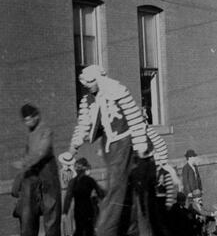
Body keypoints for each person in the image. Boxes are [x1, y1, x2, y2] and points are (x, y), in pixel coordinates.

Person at [58, 65, 155, 236]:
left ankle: (104, 230)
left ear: (99, 79)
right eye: (85, 82)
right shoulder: (87, 100)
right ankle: (131, 230)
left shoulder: (118, 91)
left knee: (116, 186)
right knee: (128, 193)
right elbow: (82, 126)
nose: (87, 85)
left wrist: (140, 147)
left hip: (125, 142)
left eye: (90, 82)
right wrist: (71, 151)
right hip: (109, 146)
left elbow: (134, 118)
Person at [13, 103, 62, 236]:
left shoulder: (45, 130)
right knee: (28, 218)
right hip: (32, 178)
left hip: (48, 176)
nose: (28, 122)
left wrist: (24, 163)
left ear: (37, 116)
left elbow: (42, 151)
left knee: (51, 217)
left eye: (30, 118)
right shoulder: (30, 135)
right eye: (26, 120)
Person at [63, 158, 105, 236]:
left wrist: (65, 211)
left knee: (79, 229)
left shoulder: (72, 182)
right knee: (89, 230)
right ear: (85, 168)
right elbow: (101, 193)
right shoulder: (90, 180)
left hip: (78, 209)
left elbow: (68, 198)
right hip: (89, 208)